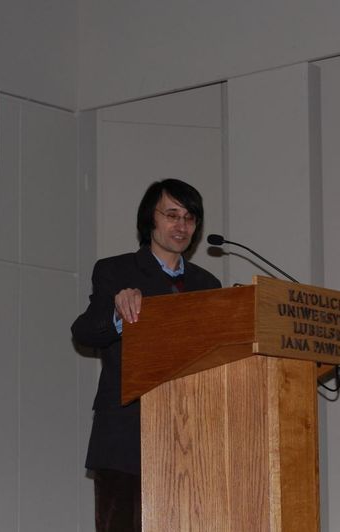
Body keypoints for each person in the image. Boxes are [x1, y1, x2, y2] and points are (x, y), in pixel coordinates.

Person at [71, 179, 221, 532]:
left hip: (190, 436)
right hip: (127, 434)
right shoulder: (115, 271)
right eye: (171, 215)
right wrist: (118, 314)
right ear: (149, 219)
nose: (181, 225)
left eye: (189, 217)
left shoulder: (207, 285)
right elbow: (84, 332)